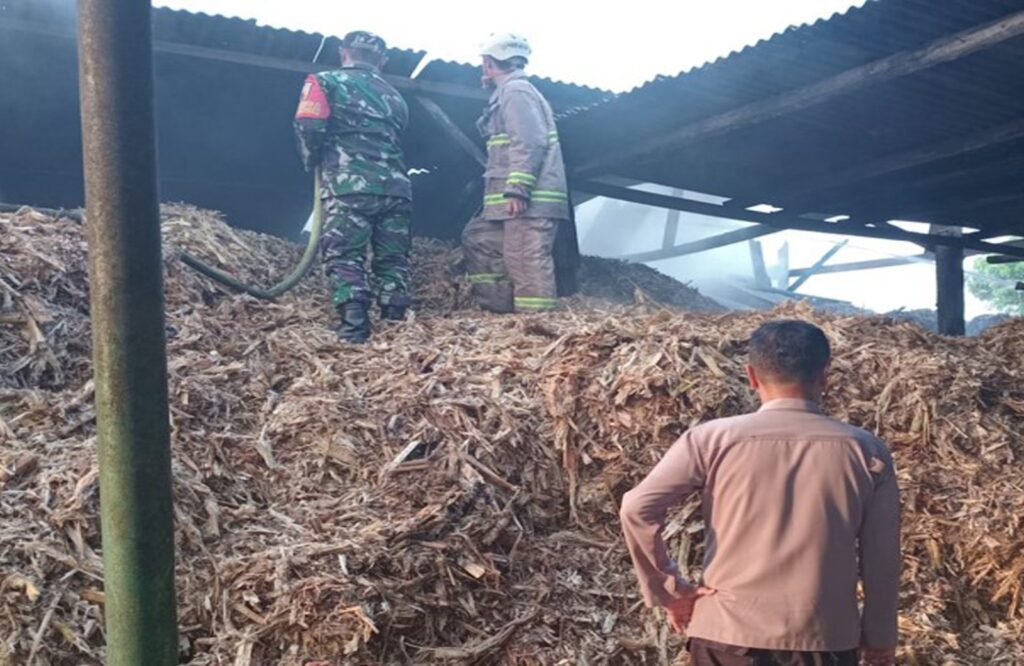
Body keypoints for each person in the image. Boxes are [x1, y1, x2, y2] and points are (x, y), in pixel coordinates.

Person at [619, 320, 901, 666]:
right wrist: (881, 639)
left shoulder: (711, 439)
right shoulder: (867, 450)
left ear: (751, 376)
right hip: (824, 639)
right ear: (825, 374)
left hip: (726, 636)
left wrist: (671, 590)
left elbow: (636, 507)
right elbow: (882, 559)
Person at [294, 30, 412, 343]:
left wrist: (312, 161)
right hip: (396, 188)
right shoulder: (396, 98)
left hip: (349, 185)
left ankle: (355, 325)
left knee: (344, 254)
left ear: (342, 52)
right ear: (383, 62)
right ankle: (395, 324)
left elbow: (308, 125)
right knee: (393, 257)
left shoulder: (324, 81)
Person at [461, 33, 570, 314]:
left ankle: (538, 329)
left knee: (525, 260)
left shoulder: (516, 92)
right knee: (479, 238)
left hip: (527, 201)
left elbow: (530, 140)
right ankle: (499, 313)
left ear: (488, 63)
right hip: (504, 203)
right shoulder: (506, 93)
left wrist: (518, 188)